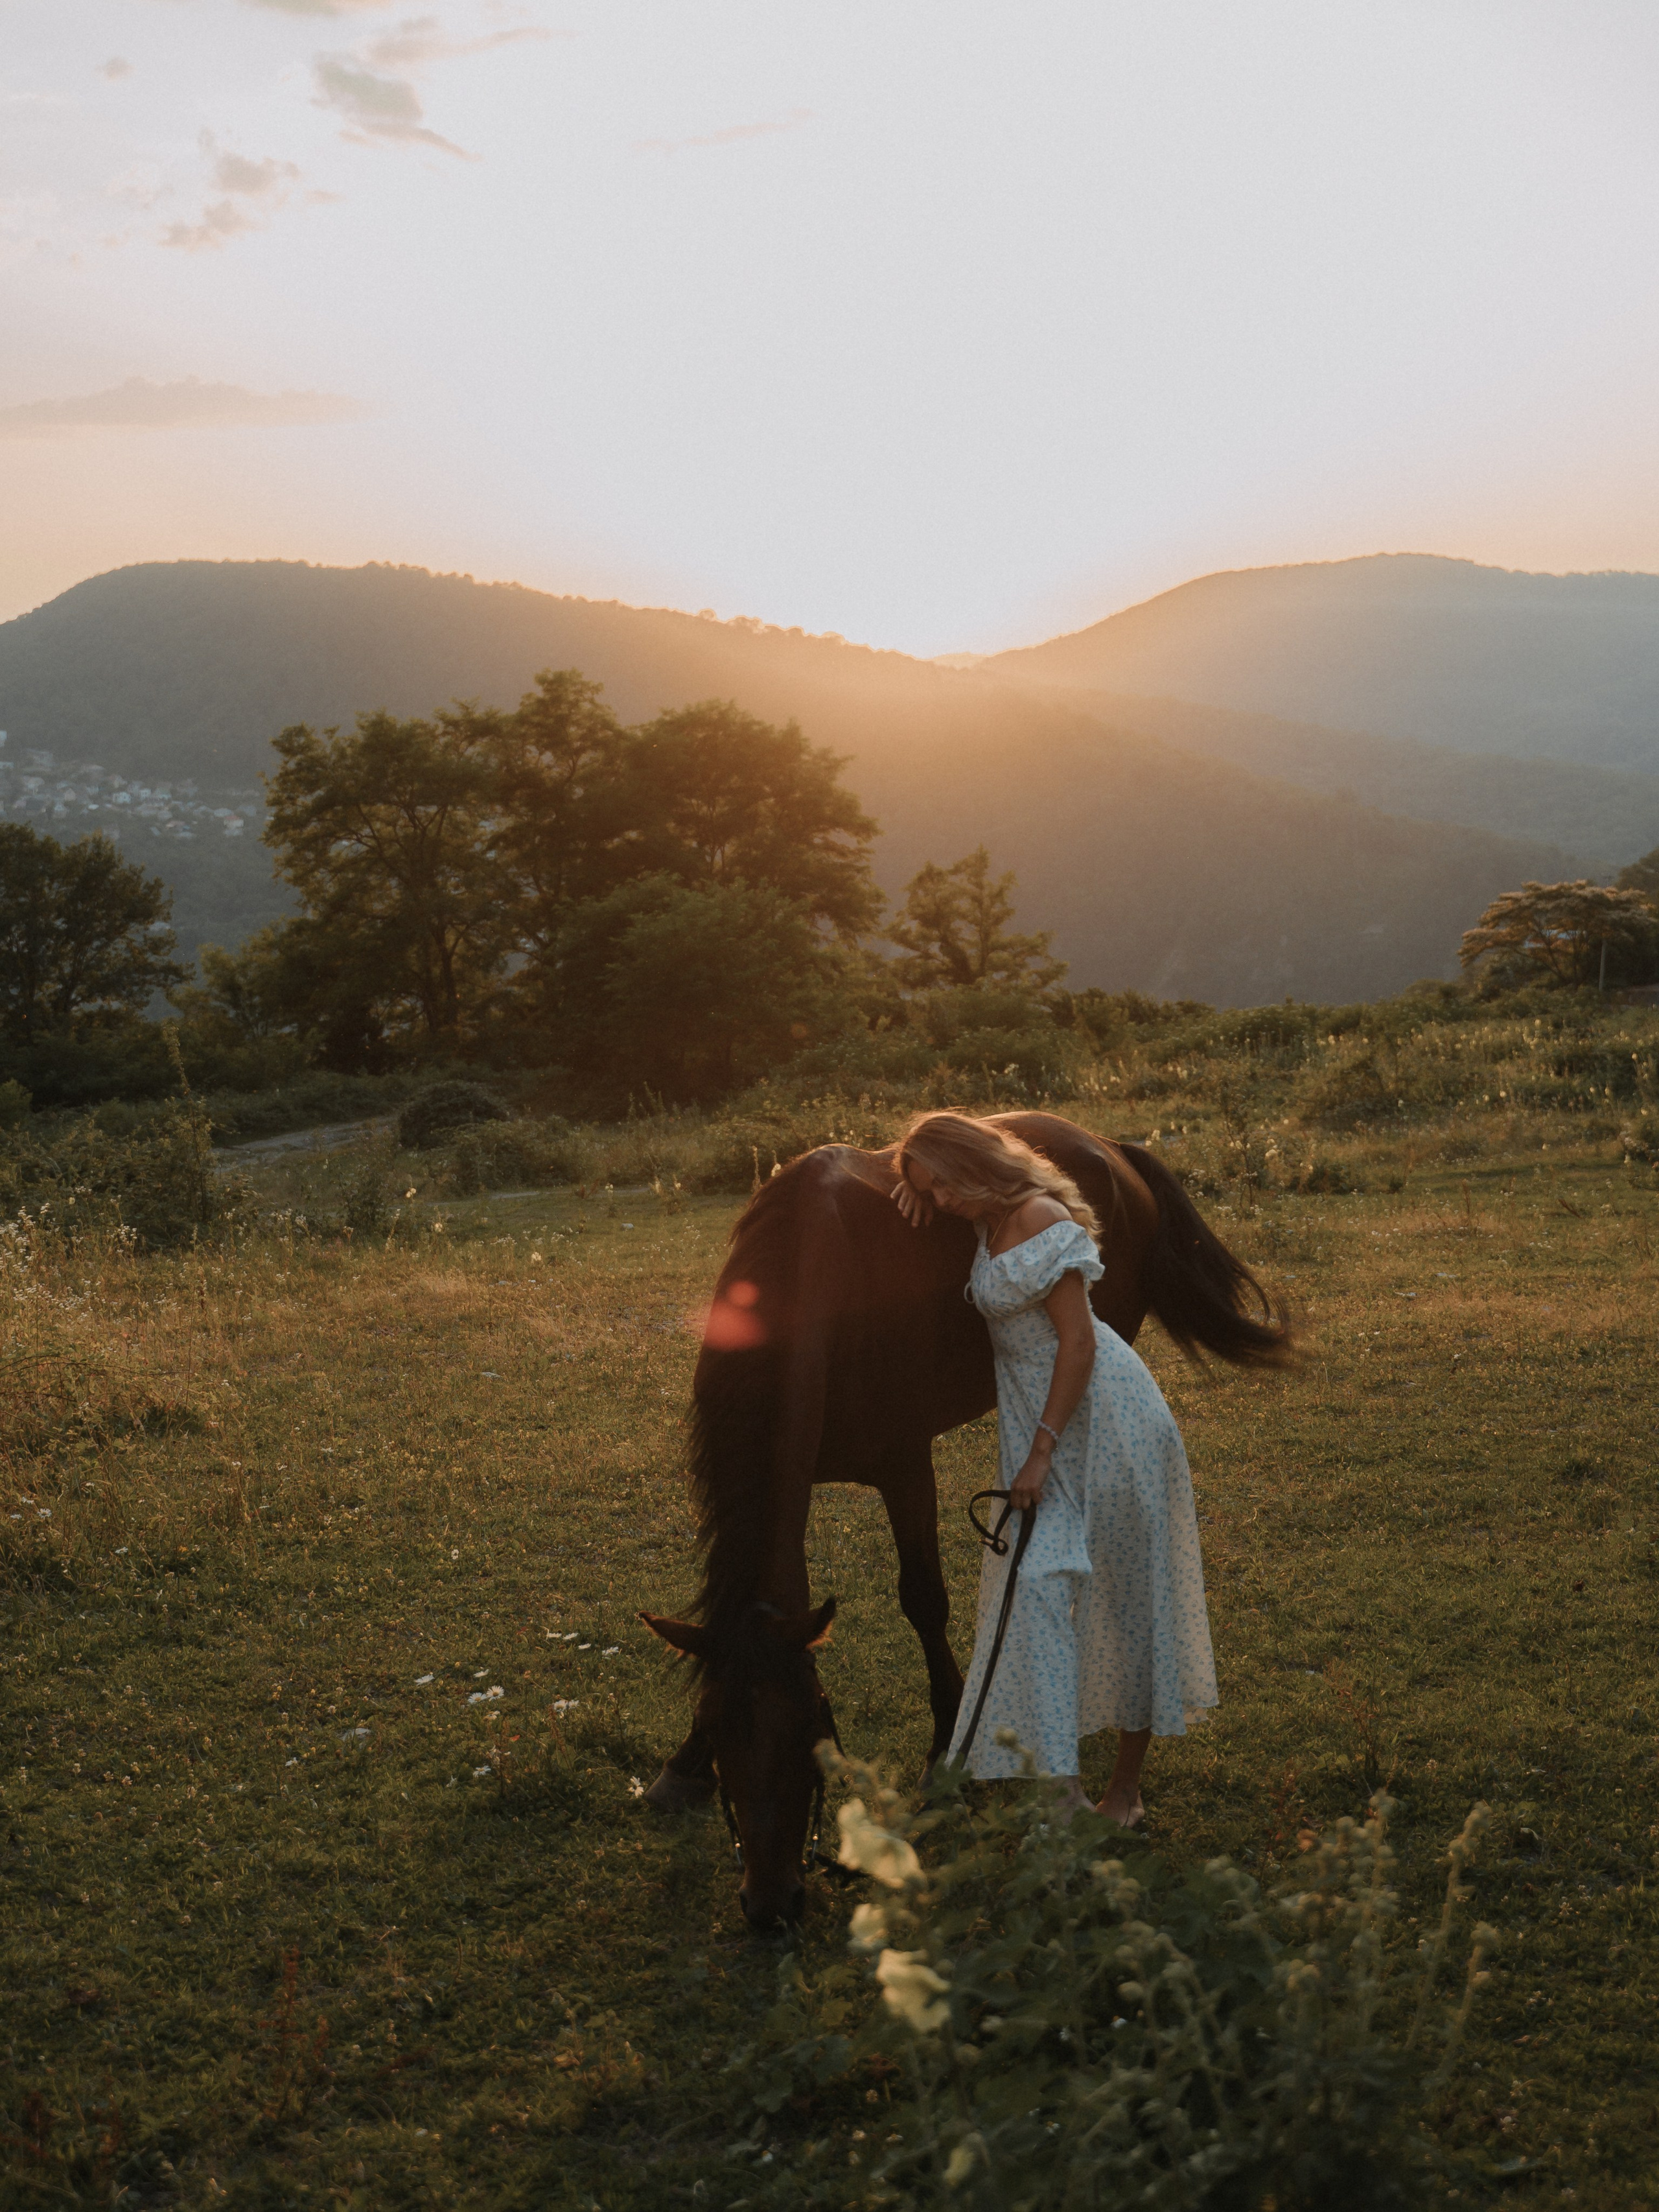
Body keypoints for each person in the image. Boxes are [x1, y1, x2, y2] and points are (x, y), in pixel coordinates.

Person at [892, 1111, 1217, 1824]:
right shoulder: (983, 1221)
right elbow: (940, 1186)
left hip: (1105, 1421)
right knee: (1036, 1588)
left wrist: (1040, 1451)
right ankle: (1063, 1792)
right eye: (930, 1191)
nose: (940, 1201)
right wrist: (912, 1184)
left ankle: (1124, 1791)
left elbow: (1079, 1342)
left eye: (942, 1185)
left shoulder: (1040, 1216)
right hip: (1038, 1422)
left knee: (1129, 1597)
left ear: (971, 1163)